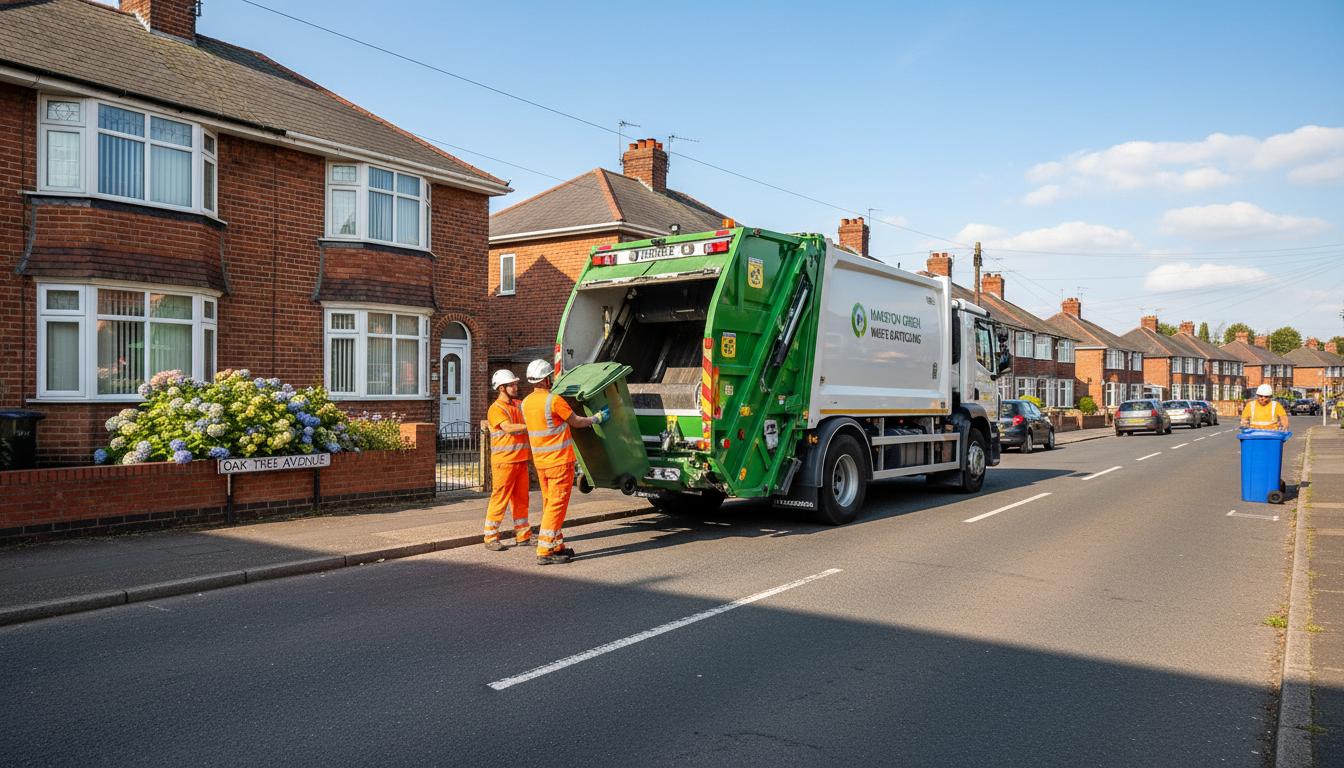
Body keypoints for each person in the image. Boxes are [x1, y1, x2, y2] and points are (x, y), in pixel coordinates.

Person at [521, 359, 609, 565]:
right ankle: (544, 550)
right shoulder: (554, 400)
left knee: (550, 504)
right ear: (547, 379)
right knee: (557, 505)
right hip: (559, 462)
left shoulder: (525, 403)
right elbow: (577, 422)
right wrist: (596, 418)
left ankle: (556, 545)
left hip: (541, 463)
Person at [483, 369, 534, 552]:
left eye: (516, 384)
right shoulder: (496, 409)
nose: (515, 387)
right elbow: (508, 427)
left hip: (520, 460)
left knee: (521, 499)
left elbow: (532, 406)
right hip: (504, 462)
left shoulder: (519, 405)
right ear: (501, 388)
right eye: (511, 385)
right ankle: (490, 537)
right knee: (500, 498)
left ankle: (523, 535)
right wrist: (531, 426)